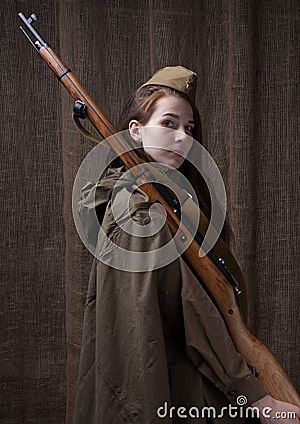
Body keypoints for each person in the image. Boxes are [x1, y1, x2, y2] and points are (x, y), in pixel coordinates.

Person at [73, 66, 299, 423]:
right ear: (135, 131)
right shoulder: (137, 209)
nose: (182, 137)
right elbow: (192, 310)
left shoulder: (175, 201)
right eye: (168, 123)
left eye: (189, 128)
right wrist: (257, 399)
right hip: (170, 389)